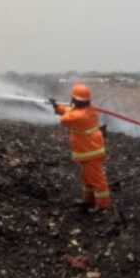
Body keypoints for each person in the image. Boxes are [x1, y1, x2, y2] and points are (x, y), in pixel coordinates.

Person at [49, 83, 111, 212]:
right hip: (89, 150)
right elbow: (69, 111)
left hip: (90, 152)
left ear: (74, 99)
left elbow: (65, 119)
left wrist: (60, 108)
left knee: (96, 179)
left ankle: (102, 205)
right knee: (87, 177)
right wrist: (57, 107)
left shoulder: (78, 116)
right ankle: (88, 200)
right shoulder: (89, 110)